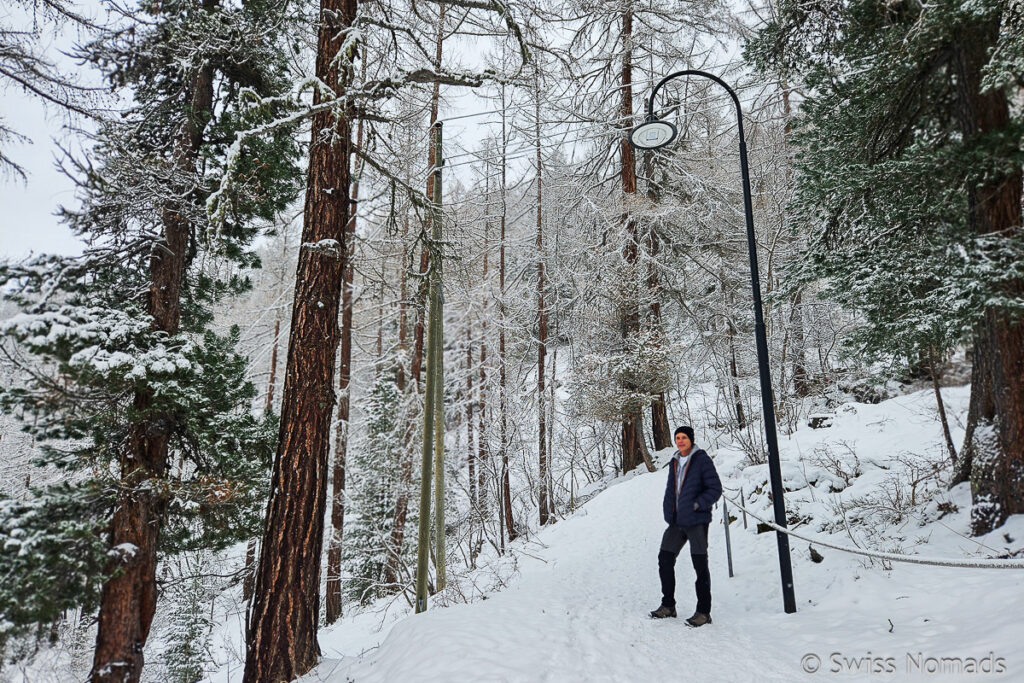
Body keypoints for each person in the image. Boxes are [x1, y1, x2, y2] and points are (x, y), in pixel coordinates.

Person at [650, 425, 722, 626]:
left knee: (700, 566)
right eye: (677, 437)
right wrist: (668, 510)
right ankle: (668, 605)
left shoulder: (701, 460)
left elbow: (715, 488)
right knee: (665, 559)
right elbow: (671, 489)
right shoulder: (674, 460)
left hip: (696, 521)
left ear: (691, 439)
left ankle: (703, 612)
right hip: (676, 521)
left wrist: (698, 504)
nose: (680, 441)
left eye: (684, 437)